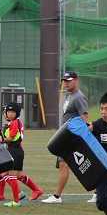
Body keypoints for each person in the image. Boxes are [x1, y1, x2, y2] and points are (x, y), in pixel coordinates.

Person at [42, 70, 89, 204]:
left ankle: (57, 196)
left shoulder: (78, 97)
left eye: (69, 81)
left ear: (76, 80)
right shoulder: (69, 96)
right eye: (64, 81)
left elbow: (84, 117)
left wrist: (80, 136)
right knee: (80, 165)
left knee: (67, 165)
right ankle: (99, 192)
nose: (66, 83)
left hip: (71, 137)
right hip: (66, 136)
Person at [0, 103, 43, 206]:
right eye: (8, 111)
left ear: (17, 113)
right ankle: (36, 190)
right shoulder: (13, 122)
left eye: (12, 112)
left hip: (14, 151)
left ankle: (16, 200)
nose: (9, 114)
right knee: (15, 175)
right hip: (15, 150)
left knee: (9, 175)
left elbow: (10, 138)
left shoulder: (14, 123)